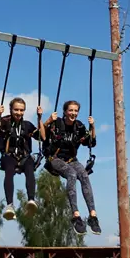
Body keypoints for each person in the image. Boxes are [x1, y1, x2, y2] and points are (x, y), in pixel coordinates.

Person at [0, 97, 46, 221]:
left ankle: (31, 200)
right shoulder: (4, 123)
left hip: (25, 157)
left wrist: (39, 119)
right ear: (11, 109)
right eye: (16, 110)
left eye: (22, 110)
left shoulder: (27, 125)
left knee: (30, 168)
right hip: (9, 156)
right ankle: (10, 205)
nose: (19, 113)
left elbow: (42, 137)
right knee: (9, 170)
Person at [43, 100, 101, 236]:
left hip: (71, 160)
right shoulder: (56, 123)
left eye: (76, 111)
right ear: (65, 112)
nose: (73, 113)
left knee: (84, 175)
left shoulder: (79, 127)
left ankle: (93, 216)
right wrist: (46, 120)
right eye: (71, 110)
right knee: (72, 174)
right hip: (55, 159)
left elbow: (92, 143)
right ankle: (76, 215)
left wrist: (93, 127)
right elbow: (40, 135)